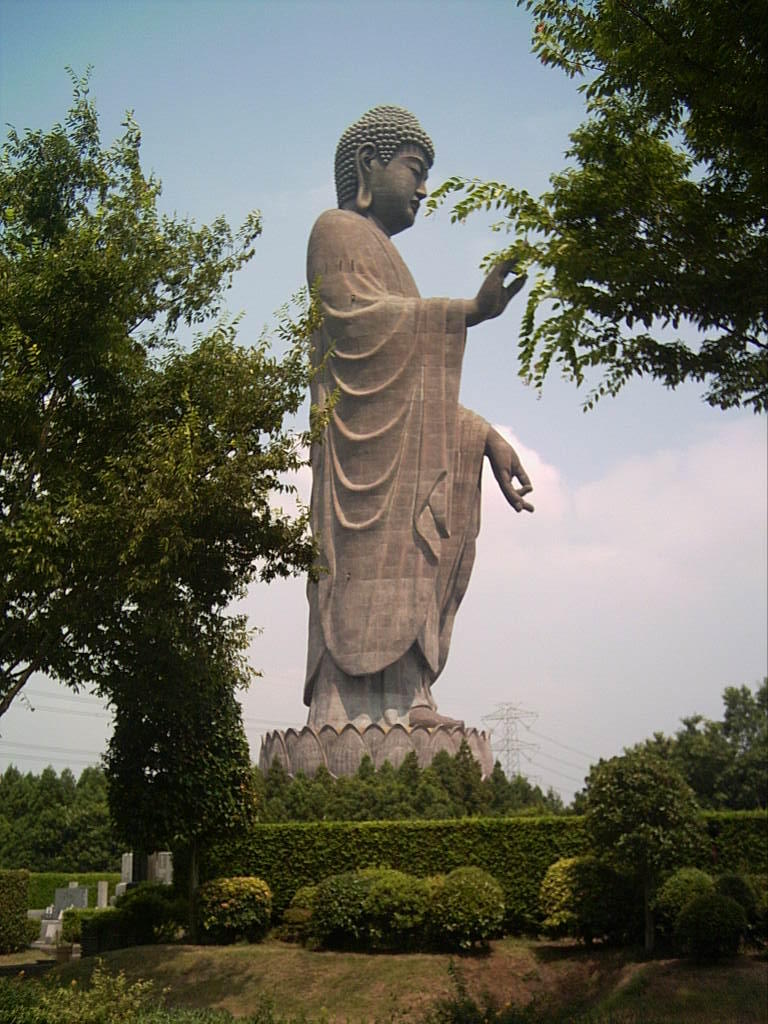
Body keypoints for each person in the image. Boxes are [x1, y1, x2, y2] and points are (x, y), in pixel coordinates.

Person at [304, 106, 533, 732]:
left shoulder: (390, 260)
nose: (425, 189)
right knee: (369, 560)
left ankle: (409, 699)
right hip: (361, 456)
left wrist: (481, 434)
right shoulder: (336, 230)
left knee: (412, 549)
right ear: (367, 167)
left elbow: (413, 382)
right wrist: (471, 311)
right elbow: (358, 331)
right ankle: (341, 709)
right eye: (416, 168)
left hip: (399, 451)